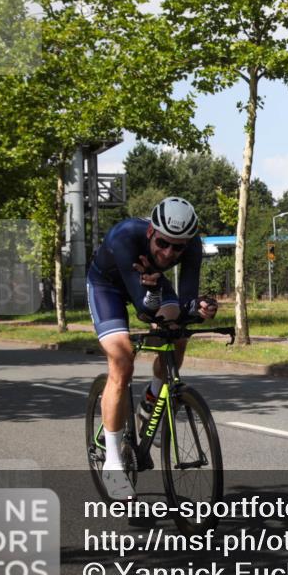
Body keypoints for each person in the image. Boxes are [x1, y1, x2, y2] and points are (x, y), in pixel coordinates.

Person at [87, 197, 217, 500]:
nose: (169, 253)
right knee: (122, 361)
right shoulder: (124, 237)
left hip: (153, 285)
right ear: (150, 233)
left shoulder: (192, 245)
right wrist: (155, 293)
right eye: (163, 243)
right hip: (108, 287)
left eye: (178, 247)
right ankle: (114, 464)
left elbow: (186, 301)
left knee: (177, 334)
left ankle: (151, 402)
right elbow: (145, 310)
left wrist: (200, 307)